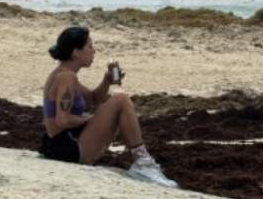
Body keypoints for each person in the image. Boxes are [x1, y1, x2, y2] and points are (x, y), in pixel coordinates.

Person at [39, 26, 176, 187]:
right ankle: (143, 163)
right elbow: (63, 120)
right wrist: (90, 119)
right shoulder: (66, 77)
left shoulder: (65, 74)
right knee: (121, 100)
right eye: (89, 46)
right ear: (76, 52)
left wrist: (107, 81)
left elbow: (94, 99)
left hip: (60, 144)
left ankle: (143, 162)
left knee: (118, 100)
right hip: (65, 147)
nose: (94, 51)